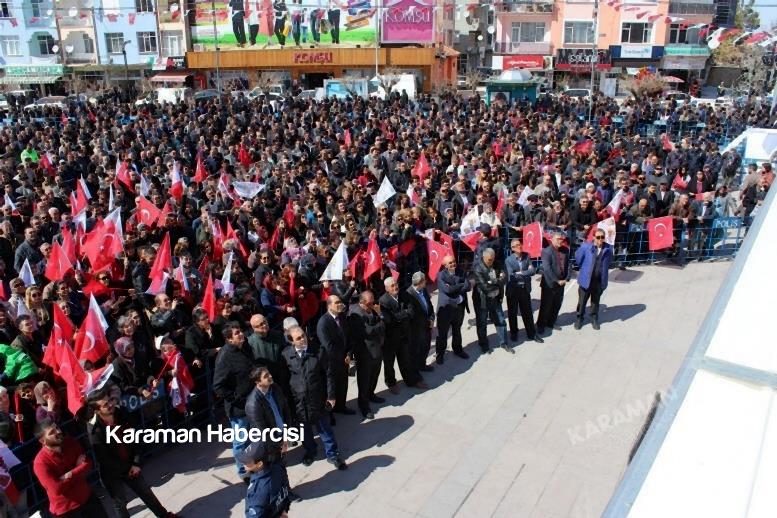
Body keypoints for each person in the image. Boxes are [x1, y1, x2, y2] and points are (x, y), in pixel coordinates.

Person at [86, 388, 178, 518]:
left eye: (110, 400)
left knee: (146, 492)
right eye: (105, 405)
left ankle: (164, 515)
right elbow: (104, 459)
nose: (111, 404)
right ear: (96, 410)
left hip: (131, 464)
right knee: (120, 504)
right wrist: (128, 468)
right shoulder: (94, 428)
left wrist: (136, 462)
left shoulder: (120, 412)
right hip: (112, 472)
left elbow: (134, 438)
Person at [282, 325, 347, 469]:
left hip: (318, 398)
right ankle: (310, 452)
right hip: (299, 401)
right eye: (298, 338)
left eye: (303, 336)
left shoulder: (318, 351)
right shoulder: (286, 355)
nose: (303, 339)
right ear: (291, 341)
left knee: (324, 428)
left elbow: (328, 374)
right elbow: (285, 379)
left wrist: (330, 396)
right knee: (304, 430)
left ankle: (333, 454)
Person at [33, 420, 109, 518]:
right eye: (52, 432)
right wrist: (77, 468)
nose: (58, 432)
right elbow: (56, 489)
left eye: (57, 428)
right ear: (42, 441)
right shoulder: (40, 462)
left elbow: (87, 464)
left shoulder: (70, 441)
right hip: (66, 511)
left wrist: (66, 476)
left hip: (87, 498)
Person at [213, 323, 257, 482]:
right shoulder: (225, 357)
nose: (241, 335)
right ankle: (243, 471)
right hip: (238, 409)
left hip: (253, 403)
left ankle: (253, 463)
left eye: (241, 331)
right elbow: (218, 386)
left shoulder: (245, 347)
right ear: (229, 339)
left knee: (253, 438)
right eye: (237, 333)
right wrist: (236, 398)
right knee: (240, 442)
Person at [379, 277, 427, 391]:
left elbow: (411, 311)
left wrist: (400, 315)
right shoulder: (383, 301)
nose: (395, 287)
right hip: (390, 339)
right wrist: (403, 314)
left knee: (405, 360)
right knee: (389, 363)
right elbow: (390, 319)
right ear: (386, 289)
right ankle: (391, 383)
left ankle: (411, 381)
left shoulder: (404, 295)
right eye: (392, 286)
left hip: (404, 335)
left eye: (396, 284)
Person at [346, 290, 385, 419]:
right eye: (369, 303)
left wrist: (377, 324)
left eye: (373, 302)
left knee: (375, 375)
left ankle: (371, 394)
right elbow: (367, 331)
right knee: (364, 380)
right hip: (365, 353)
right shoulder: (356, 314)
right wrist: (378, 325)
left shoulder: (372, 309)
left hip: (377, 350)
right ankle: (363, 405)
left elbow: (380, 325)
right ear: (362, 303)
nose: (372, 305)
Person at [316, 294, 353, 414]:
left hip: (343, 359)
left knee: (343, 384)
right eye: (336, 302)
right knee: (331, 388)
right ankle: (330, 413)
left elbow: (348, 337)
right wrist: (343, 357)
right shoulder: (323, 322)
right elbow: (328, 346)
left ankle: (341, 407)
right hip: (330, 361)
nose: (340, 304)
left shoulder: (342, 317)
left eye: (340, 302)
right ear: (329, 305)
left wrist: (349, 354)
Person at [238, 441, 291, 518]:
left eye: (248, 462)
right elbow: (285, 489)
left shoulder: (258, 491)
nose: (244, 464)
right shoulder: (277, 468)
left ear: (259, 464)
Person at [504, 240, 543, 344]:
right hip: (513, 289)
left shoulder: (527, 256)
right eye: (516, 246)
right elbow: (512, 275)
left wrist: (521, 272)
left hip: (524, 289)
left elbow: (533, 271)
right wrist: (526, 272)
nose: (519, 246)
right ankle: (514, 333)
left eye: (519, 244)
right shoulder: (508, 260)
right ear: (512, 248)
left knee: (528, 313)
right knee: (512, 313)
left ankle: (532, 334)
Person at [472, 248, 510, 354]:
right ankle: (483, 344)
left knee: (501, 320)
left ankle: (504, 343)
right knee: (482, 323)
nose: (491, 261)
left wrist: (494, 282)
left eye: (493, 259)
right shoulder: (477, 268)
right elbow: (484, 287)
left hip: (496, 298)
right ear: (483, 258)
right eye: (489, 260)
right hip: (482, 300)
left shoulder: (497, 264)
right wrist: (498, 282)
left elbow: (505, 278)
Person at [574, 229, 613, 330]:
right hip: (586, 280)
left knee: (595, 301)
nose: (600, 239)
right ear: (594, 237)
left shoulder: (608, 249)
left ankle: (594, 318)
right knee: (582, 301)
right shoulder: (586, 247)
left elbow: (609, 261)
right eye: (598, 237)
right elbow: (578, 259)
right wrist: (585, 269)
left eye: (602, 237)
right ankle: (579, 318)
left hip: (599, 280)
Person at [435, 255, 470, 364]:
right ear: (445, 265)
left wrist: (456, 287)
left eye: (454, 261)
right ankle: (440, 354)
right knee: (442, 333)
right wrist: (460, 285)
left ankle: (458, 349)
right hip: (446, 309)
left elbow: (468, 286)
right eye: (450, 263)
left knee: (457, 330)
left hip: (459, 308)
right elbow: (447, 290)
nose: (453, 264)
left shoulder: (461, 271)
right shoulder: (441, 275)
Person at [536, 232, 571, 335]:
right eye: (558, 239)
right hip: (549, 283)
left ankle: (551, 323)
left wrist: (567, 278)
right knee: (545, 306)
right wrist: (557, 280)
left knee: (557, 305)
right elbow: (547, 269)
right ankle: (541, 325)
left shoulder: (565, 250)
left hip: (562, 283)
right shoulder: (546, 251)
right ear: (552, 239)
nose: (560, 241)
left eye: (561, 239)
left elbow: (568, 265)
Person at [401, 272, 435, 372]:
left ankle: (422, 365)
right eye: (425, 281)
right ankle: (415, 371)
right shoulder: (408, 294)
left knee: (426, 347)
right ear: (420, 282)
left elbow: (429, 306)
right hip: (416, 329)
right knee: (416, 350)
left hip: (427, 325)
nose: (426, 282)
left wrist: (432, 318)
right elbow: (411, 315)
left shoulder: (423, 290)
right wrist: (426, 322)